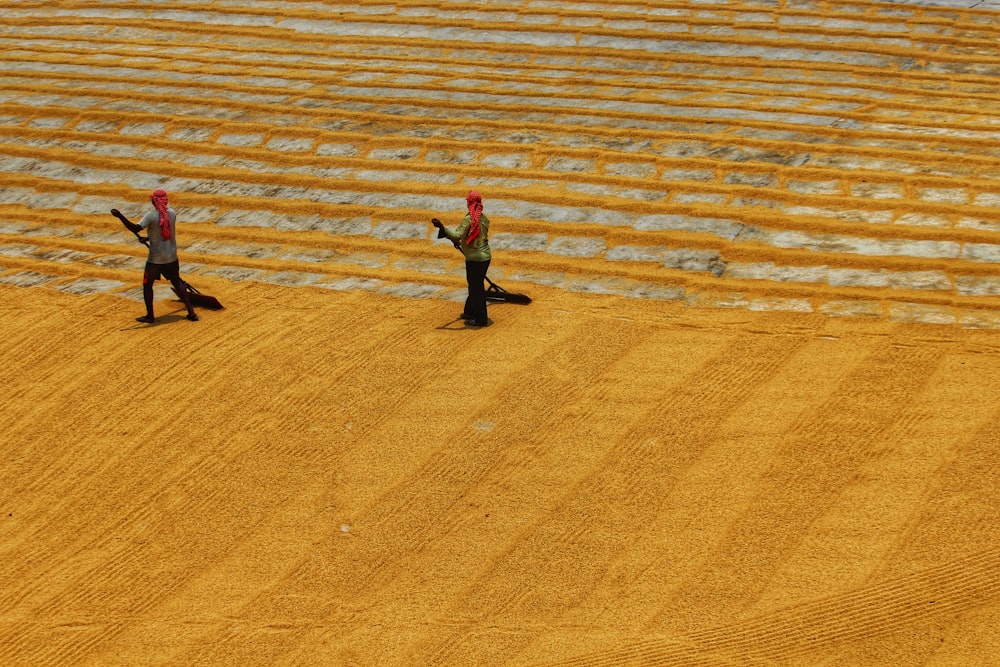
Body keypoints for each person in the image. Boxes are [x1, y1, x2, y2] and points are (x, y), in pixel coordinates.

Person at [111, 189, 198, 323]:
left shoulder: (150, 216)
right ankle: (191, 313)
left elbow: (135, 228)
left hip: (155, 260)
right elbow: (163, 232)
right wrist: (149, 238)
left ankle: (150, 316)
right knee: (177, 281)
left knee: (147, 285)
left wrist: (120, 216)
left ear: (154, 201)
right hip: (171, 257)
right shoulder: (172, 214)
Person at [432, 190, 492, 327]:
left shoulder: (468, 220)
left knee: (476, 288)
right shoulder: (484, 219)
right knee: (475, 285)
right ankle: (469, 311)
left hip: (474, 260)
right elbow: (474, 237)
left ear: (470, 203)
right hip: (486, 258)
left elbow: (457, 235)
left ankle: (481, 319)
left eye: (468, 202)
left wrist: (442, 227)